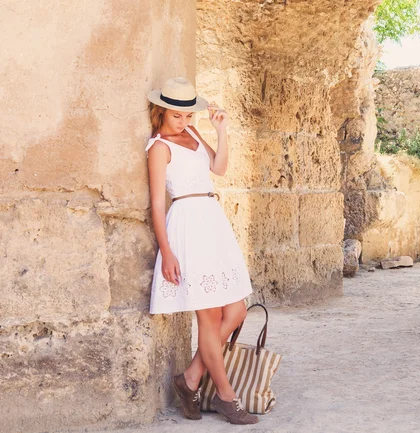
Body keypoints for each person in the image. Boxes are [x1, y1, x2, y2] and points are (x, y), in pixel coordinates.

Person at [145, 77, 258, 425]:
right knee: (208, 318)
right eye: (176, 115)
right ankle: (227, 397)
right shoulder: (158, 147)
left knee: (236, 310)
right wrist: (167, 252)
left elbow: (219, 169)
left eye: (188, 115)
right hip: (187, 226)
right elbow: (155, 203)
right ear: (161, 111)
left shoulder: (193, 134)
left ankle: (190, 378)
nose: (183, 121)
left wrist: (221, 131)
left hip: (213, 223)